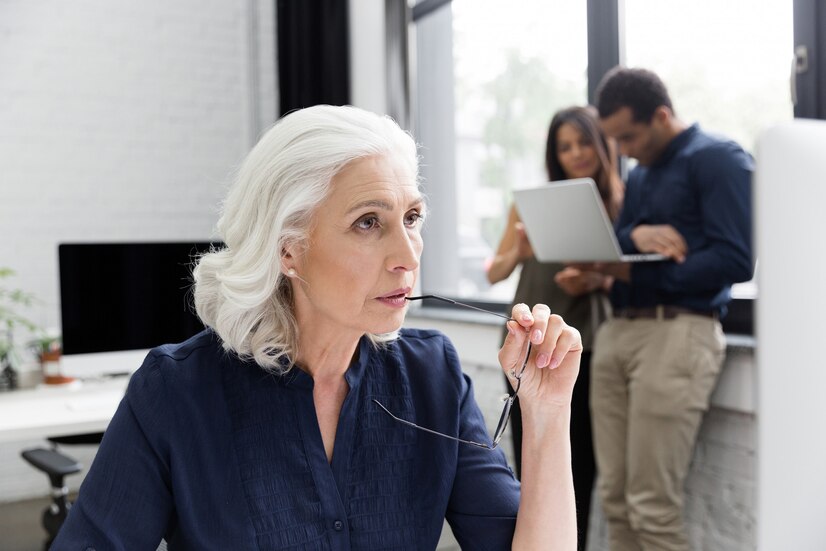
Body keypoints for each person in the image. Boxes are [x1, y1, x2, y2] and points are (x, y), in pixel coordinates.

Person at [52, 104, 583, 550]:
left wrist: (548, 412)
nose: (407, 255)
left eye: (413, 218)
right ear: (289, 250)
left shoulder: (432, 375)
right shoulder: (176, 391)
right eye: (368, 223)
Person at [587, 67, 754, 550]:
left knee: (651, 507)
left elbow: (736, 259)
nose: (621, 150)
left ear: (662, 116)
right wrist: (633, 237)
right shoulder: (639, 176)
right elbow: (617, 244)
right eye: (614, 139)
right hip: (619, 331)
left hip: (678, 333)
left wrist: (643, 270)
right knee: (615, 500)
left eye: (628, 136)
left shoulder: (719, 160)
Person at [487, 105, 623, 550]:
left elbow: (626, 276)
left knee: (575, 460)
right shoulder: (530, 204)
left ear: (602, 146)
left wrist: (596, 279)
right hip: (527, 343)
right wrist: (521, 248)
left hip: (583, 345)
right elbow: (494, 272)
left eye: (584, 143)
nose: (576, 153)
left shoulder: (619, 204)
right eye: (565, 146)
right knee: (529, 459)